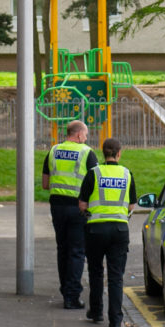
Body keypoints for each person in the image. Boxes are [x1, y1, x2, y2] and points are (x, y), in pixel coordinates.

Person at [78, 138, 136, 327]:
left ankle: (96, 311)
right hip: (119, 230)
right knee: (116, 276)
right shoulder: (127, 174)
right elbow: (131, 205)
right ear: (119, 153)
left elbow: (82, 205)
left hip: (96, 229)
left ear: (104, 153)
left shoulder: (93, 173)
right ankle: (116, 321)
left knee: (95, 271)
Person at [42, 120, 98, 309]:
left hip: (57, 206)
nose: (86, 139)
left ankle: (65, 290)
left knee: (63, 249)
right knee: (76, 251)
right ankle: (72, 296)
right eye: (86, 135)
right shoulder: (86, 153)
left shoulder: (53, 151)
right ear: (79, 134)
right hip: (77, 207)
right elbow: (95, 183)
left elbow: (45, 183)